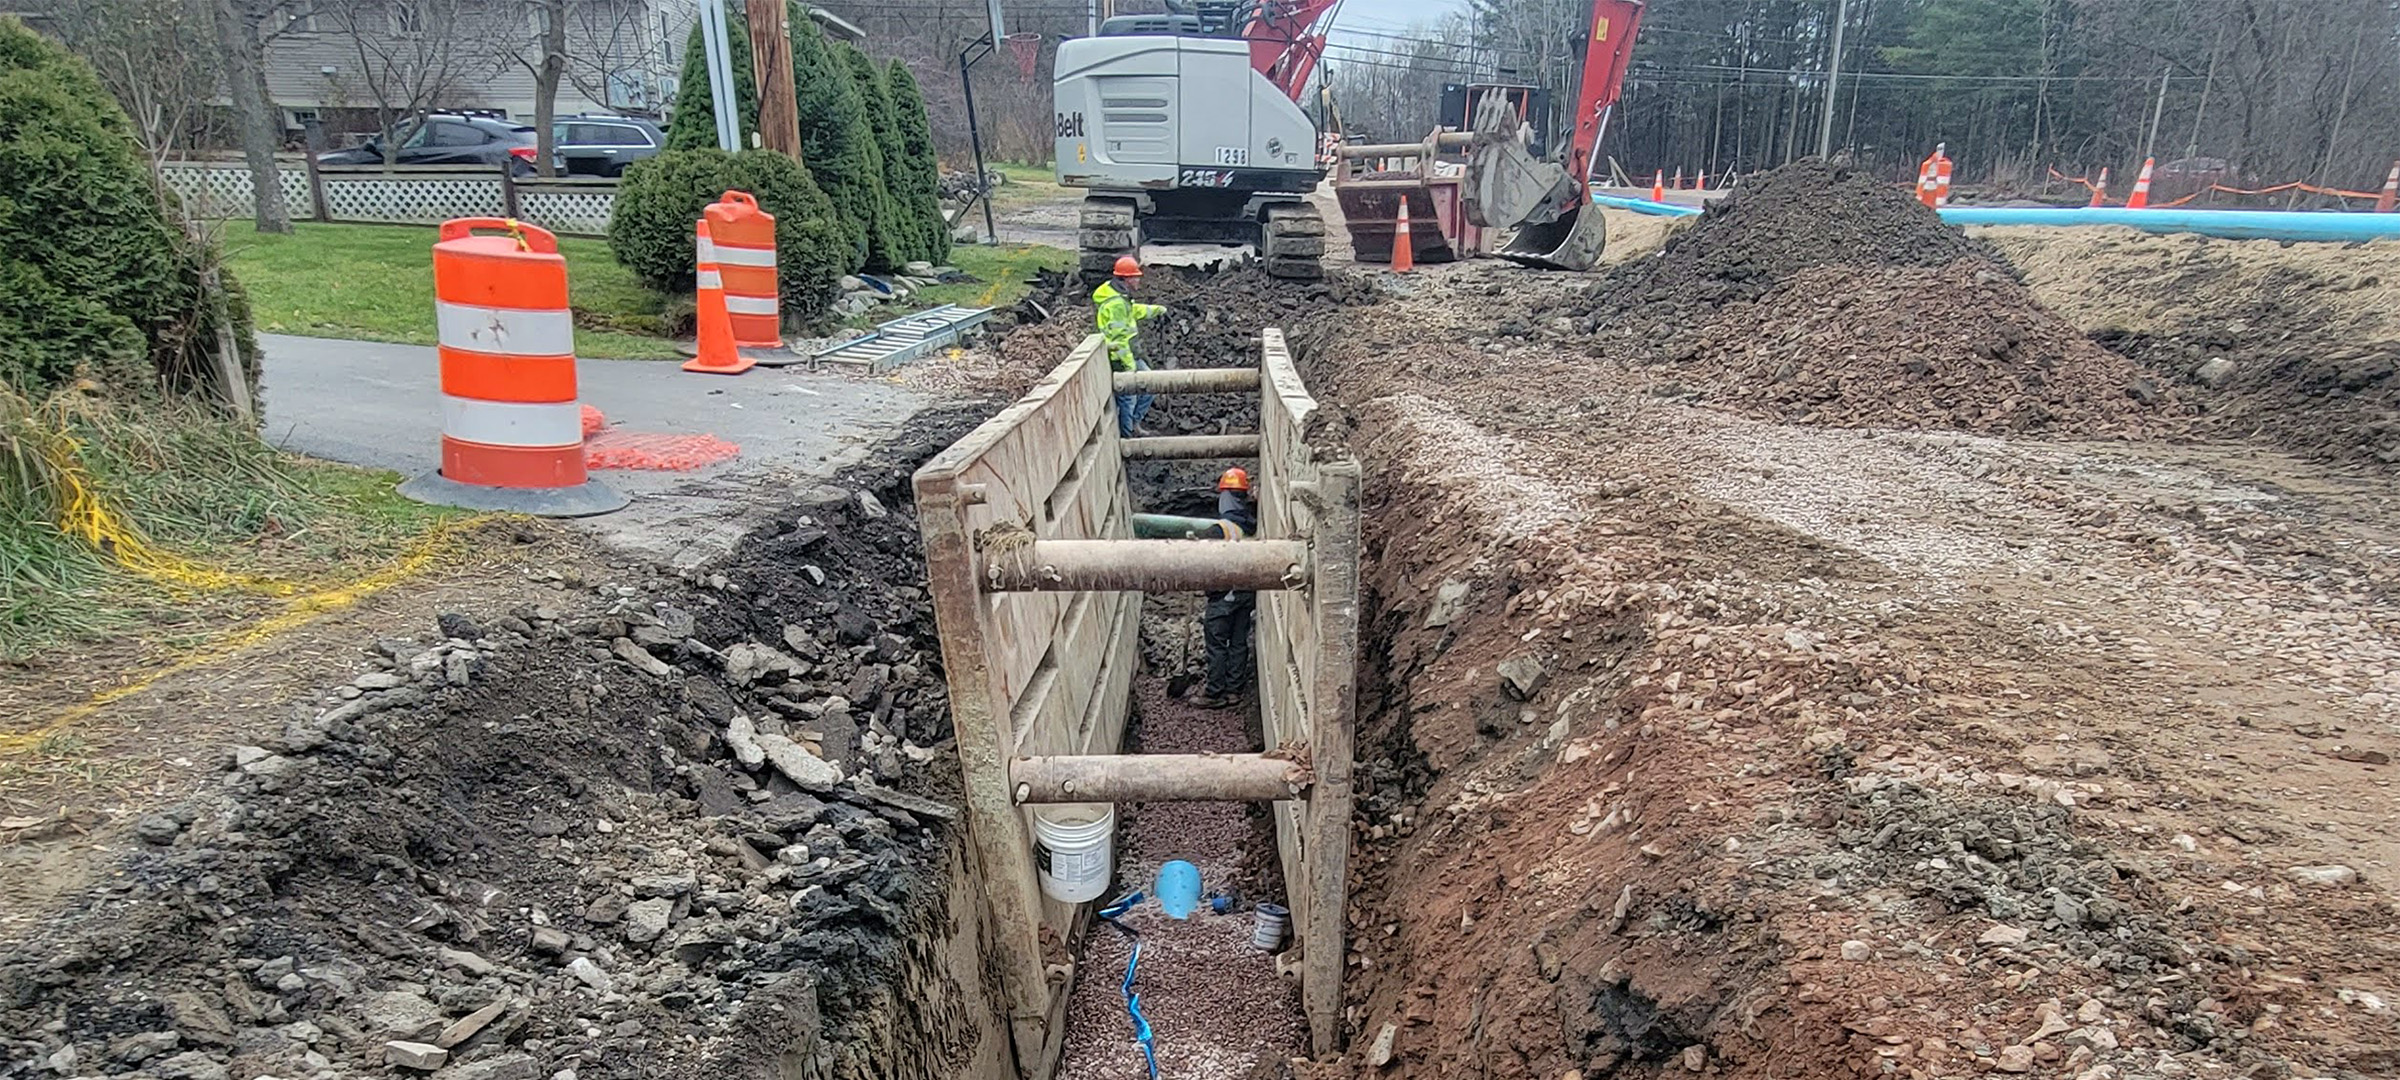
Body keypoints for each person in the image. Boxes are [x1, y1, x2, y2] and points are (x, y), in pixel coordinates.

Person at [1197, 467, 1259, 709]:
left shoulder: (1220, 529)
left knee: (1216, 645)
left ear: (1226, 497)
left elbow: (1203, 561)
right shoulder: (1252, 525)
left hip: (1224, 597)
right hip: (1246, 594)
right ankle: (1234, 691)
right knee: (1238, 643)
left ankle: (1215, 693)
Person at [1093, 255, 1165, 437]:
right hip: (1121, 358)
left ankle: (1134, 424)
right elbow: (1120, 339)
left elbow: (1132, 311)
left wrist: (1156, 310)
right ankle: (1128, 438)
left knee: (1150, 384)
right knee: (1129, 398)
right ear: (1126, 278)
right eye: (1136, 276)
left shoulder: (1119, 297)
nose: (1139, 279)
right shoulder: (1116, 303)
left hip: (1130, 355)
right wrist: (1129, 367)